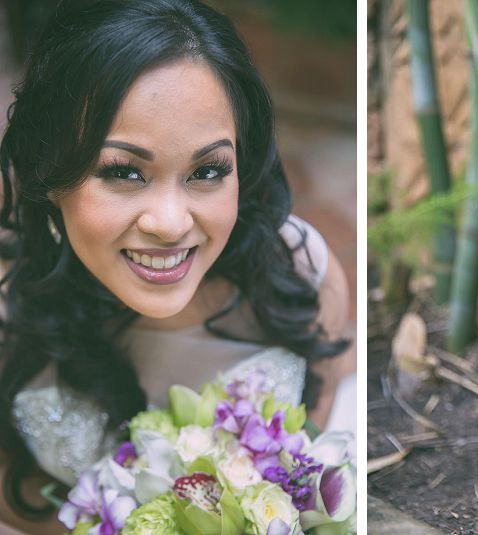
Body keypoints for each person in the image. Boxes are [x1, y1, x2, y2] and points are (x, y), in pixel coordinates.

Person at [0, 0, 356, 532]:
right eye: (122, 171)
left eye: (209, 170)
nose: (169, 224)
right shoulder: (12, 311)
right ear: (50, 177)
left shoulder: (299, 277)